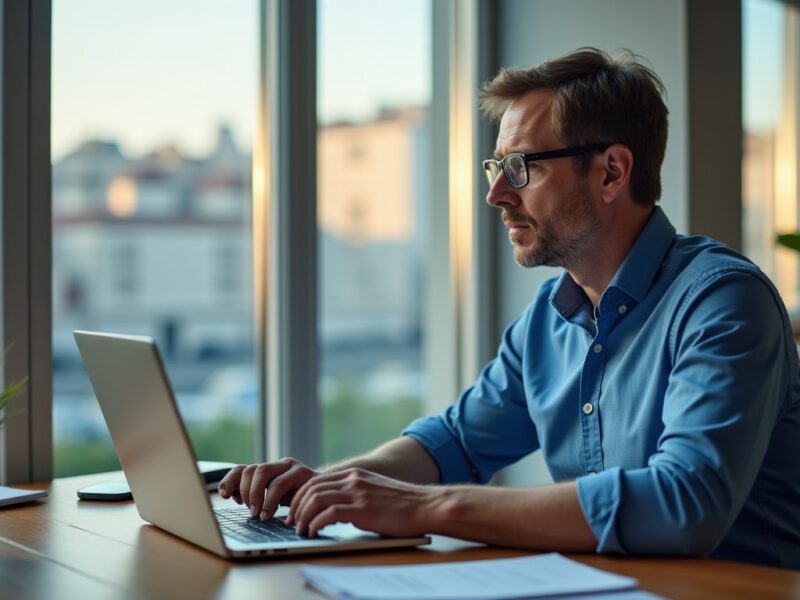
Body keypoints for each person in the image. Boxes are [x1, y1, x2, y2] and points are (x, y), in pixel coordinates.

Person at [219, 48, 800, 568]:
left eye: (521, 167)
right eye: (496, 168)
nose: (497, 194)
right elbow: (456, 442)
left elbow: (684, 503)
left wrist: (428, 507)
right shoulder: (551, 315)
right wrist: (323, 484)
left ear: (612, 172)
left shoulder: (723, 302)